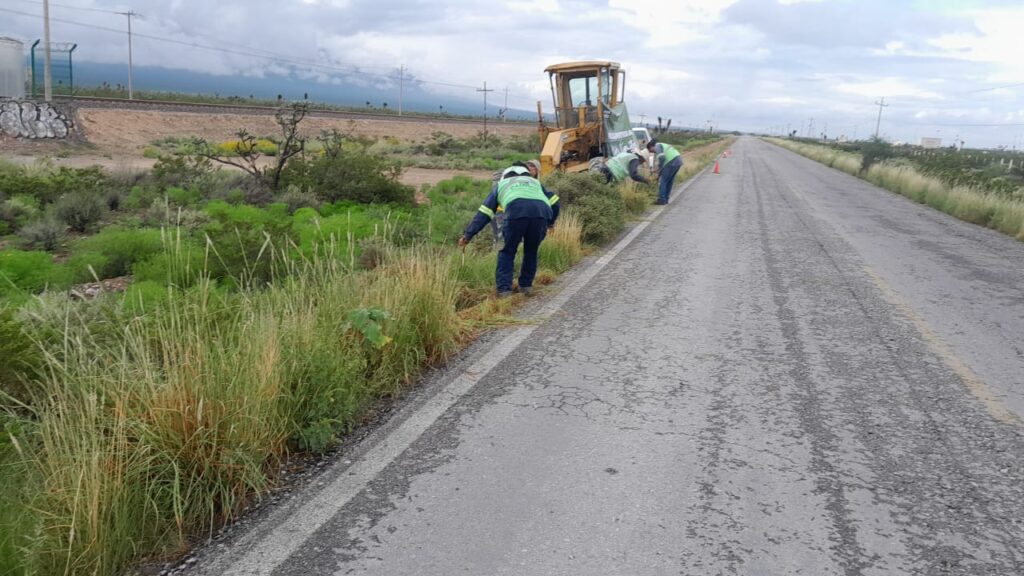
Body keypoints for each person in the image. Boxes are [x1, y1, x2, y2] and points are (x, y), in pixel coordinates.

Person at [460, 165, 560, 297]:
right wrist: (550, 223)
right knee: (531, 250)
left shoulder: (501, 185)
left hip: (515, 213)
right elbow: (555, 202)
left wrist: (468, 234)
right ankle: (526, 287)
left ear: (505, 176)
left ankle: (504, 290)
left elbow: (485, 213)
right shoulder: (535, 182)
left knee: (508, 251)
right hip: (541, 215)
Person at [647, 138, 683, 205]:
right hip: (678, 160)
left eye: (651, 151)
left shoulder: (657, 145)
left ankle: (662, 200)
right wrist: (659, 171)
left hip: (671, 161)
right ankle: (666, 199)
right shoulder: (663, 145)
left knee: (663, 181)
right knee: (669, 181)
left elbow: (662, 158)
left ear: (651, 146)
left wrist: (659, 170)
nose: (653, 152)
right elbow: (663, 162)